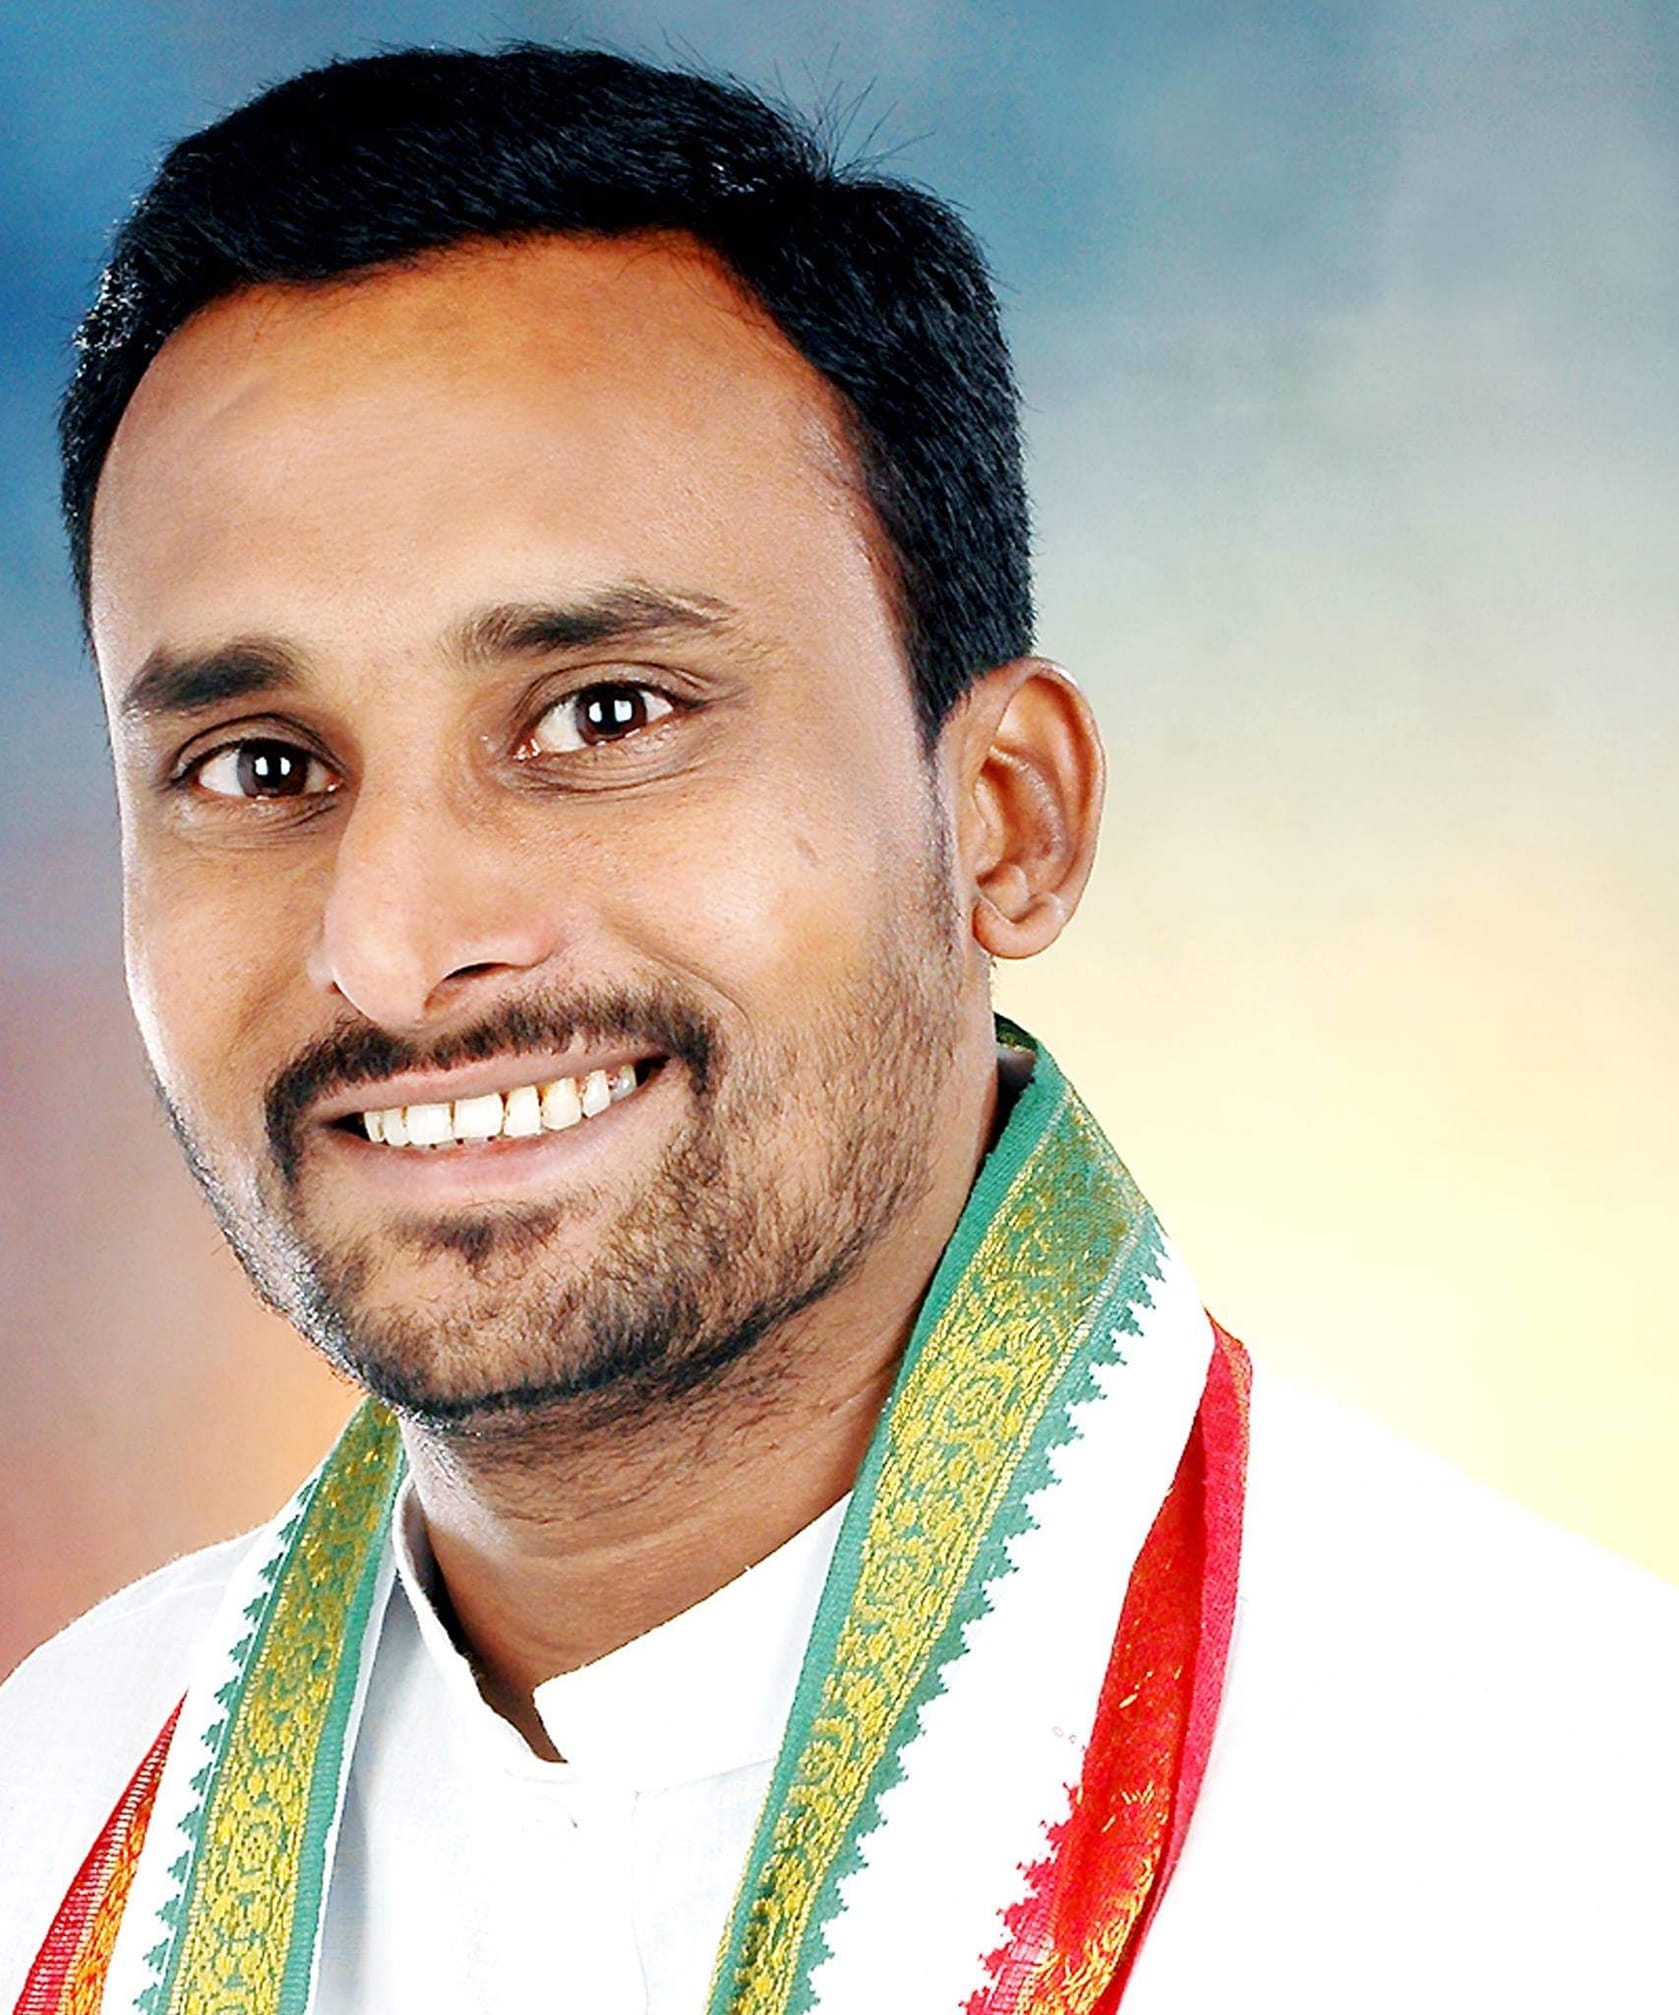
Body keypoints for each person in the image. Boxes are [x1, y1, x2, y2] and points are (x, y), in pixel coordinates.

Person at [0, 43, 1672, 2015]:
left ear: (1007, 822)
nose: (394, 944)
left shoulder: (1577, 1836)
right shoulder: (48, 1811)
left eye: (604, 714)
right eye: (257, 764)